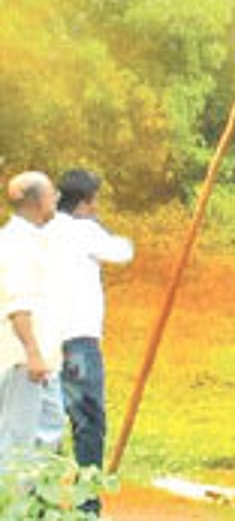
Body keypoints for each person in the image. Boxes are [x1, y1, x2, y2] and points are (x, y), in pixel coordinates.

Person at [44, 169, 132, 513]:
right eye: (95, 200)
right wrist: (102, 229)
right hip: (79, 338)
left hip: (44, 339)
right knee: (88, 422)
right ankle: (87, 503)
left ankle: (40, 500)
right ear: (85, 201)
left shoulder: (44, 230)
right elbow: (122, 252)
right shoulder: (85, 231)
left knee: (46, 421)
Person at [0, 171, 65, 465]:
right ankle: (11, 507)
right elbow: (19, 305)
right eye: (53, 194)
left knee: (48, 432)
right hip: (23, 361)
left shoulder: (34, 240)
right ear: (38, 201)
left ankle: (35, 505)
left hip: (43, 360)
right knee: (17, 439)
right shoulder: (17, 244)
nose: (57, 199)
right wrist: (33, 354)